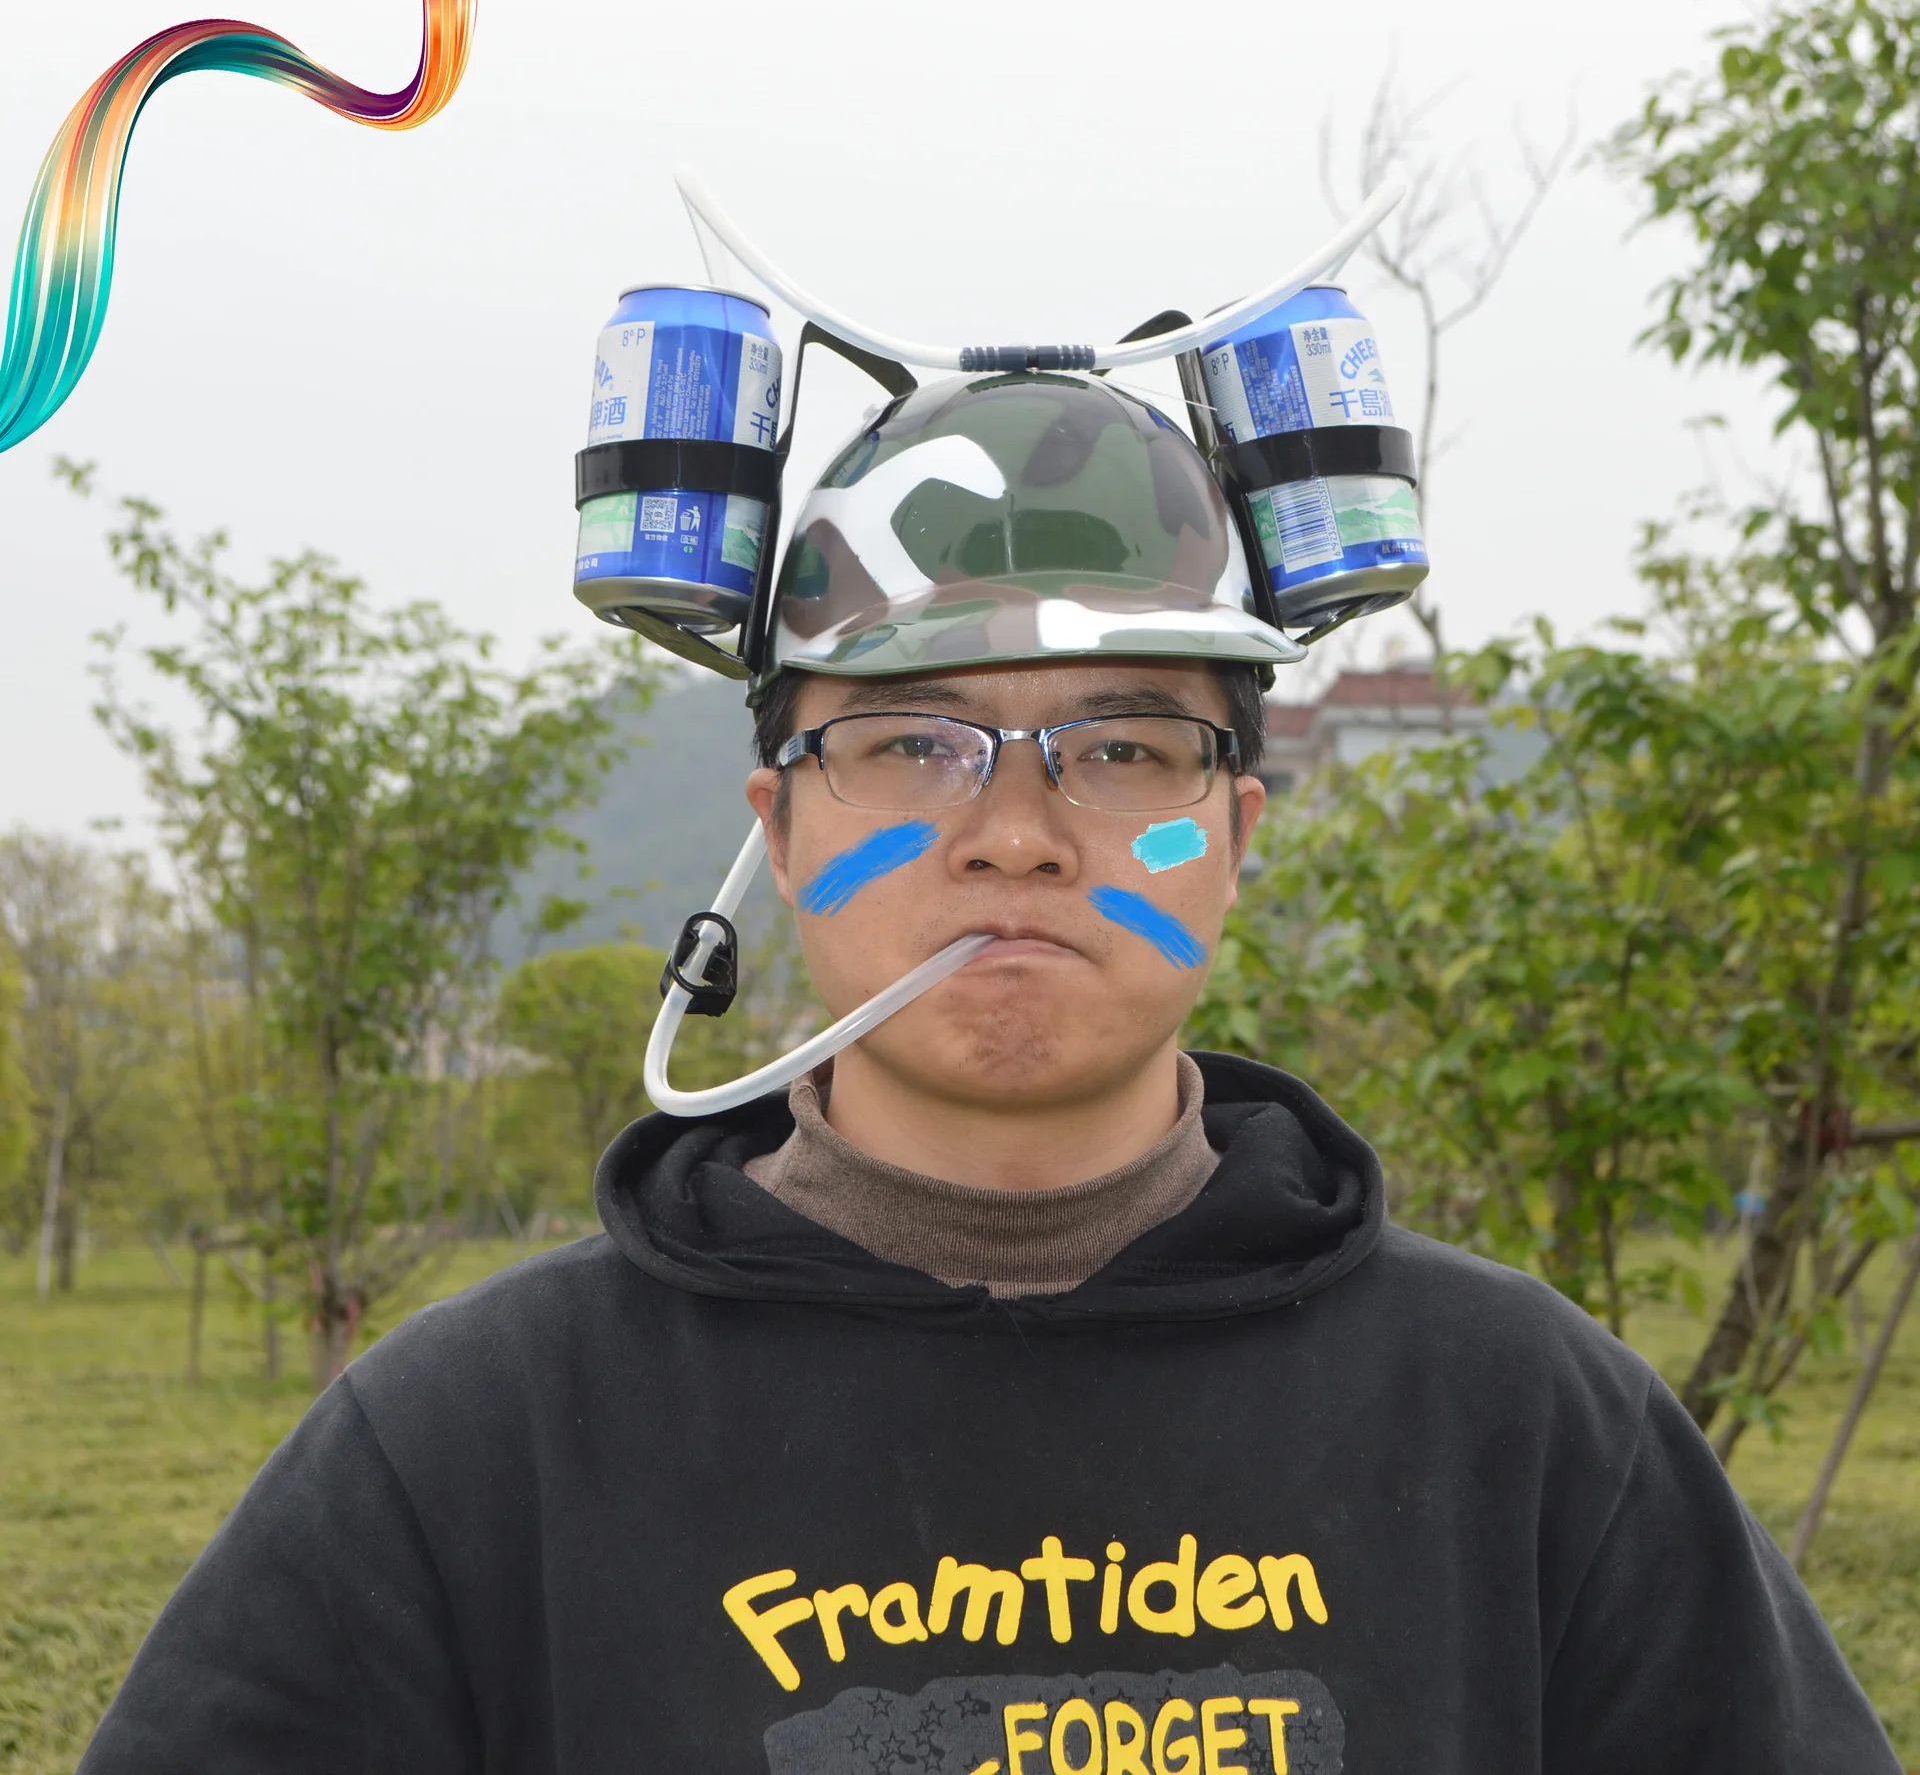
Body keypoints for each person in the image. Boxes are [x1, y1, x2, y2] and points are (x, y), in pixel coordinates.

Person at [80, 373, 1899, 1775]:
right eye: (910, 742)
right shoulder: (472, 1447)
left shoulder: (1527, 1427)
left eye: (1123, 747)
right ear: (780, 829)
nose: (1017, 831)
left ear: (1238, 830)